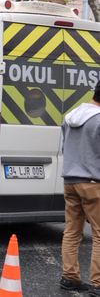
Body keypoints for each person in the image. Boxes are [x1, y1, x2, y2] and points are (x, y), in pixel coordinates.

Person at [59, 84, 100, 295]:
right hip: (94, 183)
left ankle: (69, 277)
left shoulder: (70, 115)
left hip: (70, 180)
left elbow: (65, 147)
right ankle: (97, 283)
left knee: (72, 231)